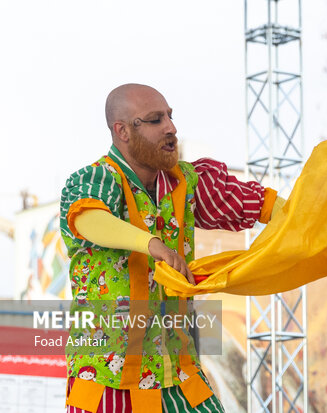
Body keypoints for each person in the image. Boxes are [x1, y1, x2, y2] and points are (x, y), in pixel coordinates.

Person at [60, 83, 283, 412]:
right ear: (121, 131)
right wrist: (153, 245)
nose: (171, 128)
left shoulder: (186, 182)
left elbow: (258, 204)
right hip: (109, 382)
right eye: (154, 120)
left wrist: (314, 218)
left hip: (179, 375)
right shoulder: (94, 180)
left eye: (170, 116)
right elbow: (89, 219)